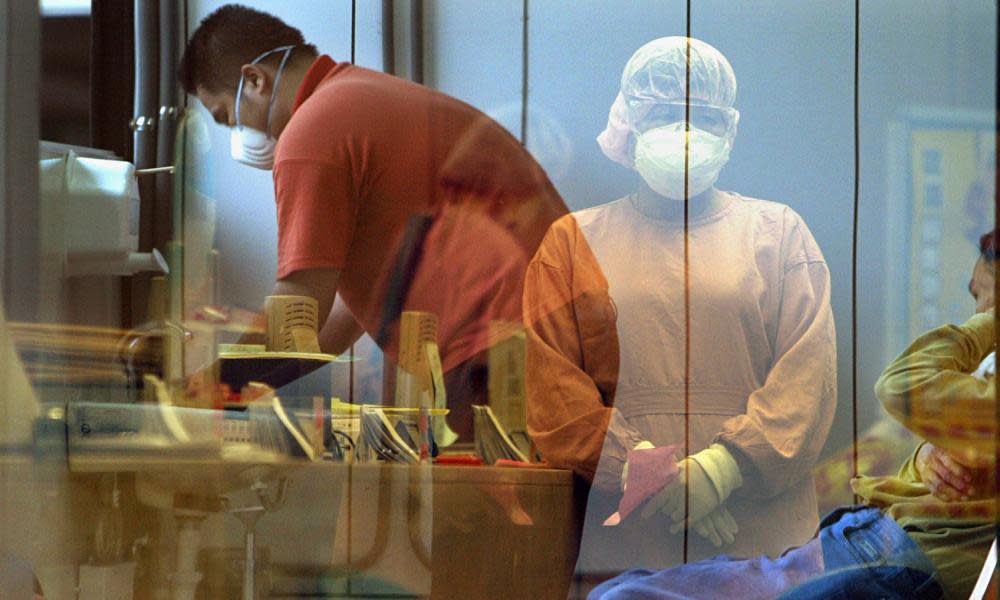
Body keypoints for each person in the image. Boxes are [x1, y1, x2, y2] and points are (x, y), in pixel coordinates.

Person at [523, 36, 836, 577]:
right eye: (666, 113)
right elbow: (556, 396)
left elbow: (807, 381)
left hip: (762, 546)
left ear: (731, 130)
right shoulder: (573, 244)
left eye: (706, 118)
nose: (686, 132)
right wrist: (651, 474)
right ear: (628, 123)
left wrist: (724, 468)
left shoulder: (779, 235)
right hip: (630, 547)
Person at [178, 5, 567, 438]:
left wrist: (210, 390)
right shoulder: (363, 97)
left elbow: (301, 306)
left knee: (495, 503)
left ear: (254, 80)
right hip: (553, 330)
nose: (236, 130)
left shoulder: (311, 133)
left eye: (224, 116)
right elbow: (351, 309)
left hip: (501, 350)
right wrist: (254, 385)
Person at [588, 230, 999, 600]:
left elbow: (899, 385)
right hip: (870, 536)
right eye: (975, 300)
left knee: (627, 597)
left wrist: (986, 325)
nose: (976, 310)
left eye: (984, 296)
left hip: (895, 556)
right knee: (621, 588)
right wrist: (928, 454)